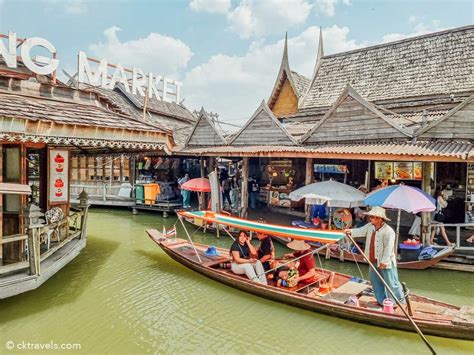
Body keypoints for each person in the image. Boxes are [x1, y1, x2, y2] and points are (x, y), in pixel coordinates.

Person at [344, 206, 405, 307]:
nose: (370, 219)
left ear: (380, 218)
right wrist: (350, 231)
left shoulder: (388, 231)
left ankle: (399, 302)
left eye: (373, 217)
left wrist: (384, 261)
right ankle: (382, 300)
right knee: (376, 282)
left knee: (391, 282)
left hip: (385, 262)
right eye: (371, 217)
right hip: (372, 260)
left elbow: (388, 248)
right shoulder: (370, 226)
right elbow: (360, 231)